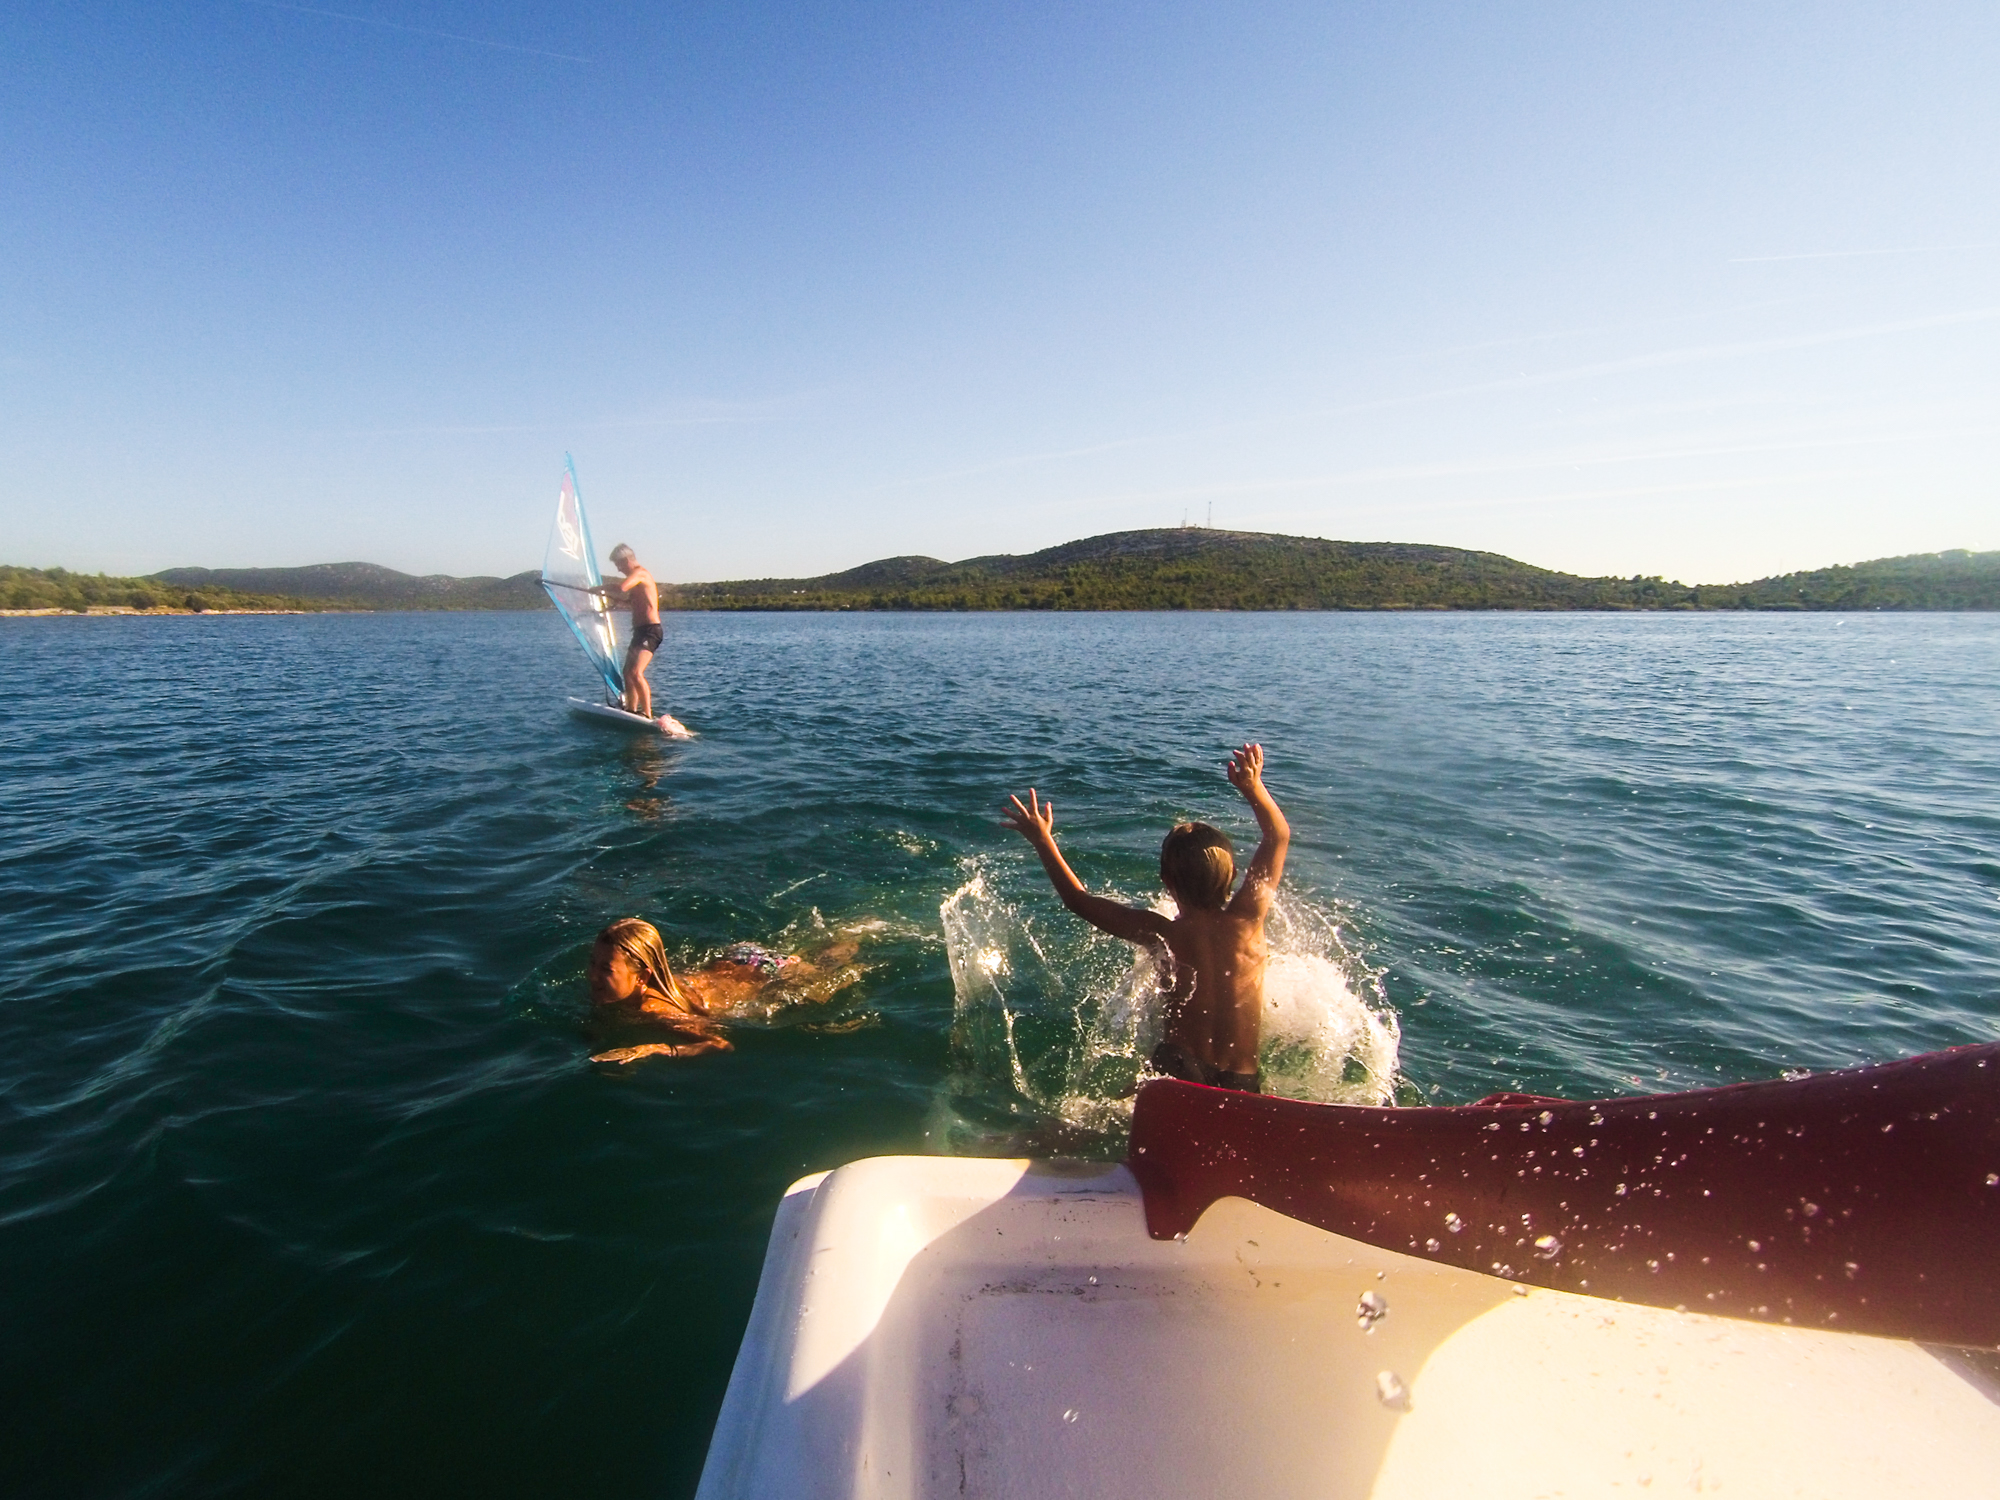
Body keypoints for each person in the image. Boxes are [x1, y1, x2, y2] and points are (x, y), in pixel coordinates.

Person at [1001, 743, 1289, 1093]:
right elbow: (1277, 837)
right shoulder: (1248, 920)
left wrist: (1043, 839)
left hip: (1179, 1068)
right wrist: (1252, 786)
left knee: (1104, 1114)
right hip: (1240, 1078)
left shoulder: (1162, 933)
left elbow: (1078, 901)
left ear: (1166, 883)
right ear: (1232, 878)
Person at [586, 917, 864, 1064]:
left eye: (606, 970)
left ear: (643, 976)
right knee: (813, 955)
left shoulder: (654, 1009)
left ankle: (865, 931)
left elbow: (720, 1043)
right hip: (740, 958)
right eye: (593, 963)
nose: (593, 975)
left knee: (836, 971)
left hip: (766, 972)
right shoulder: (635, 990)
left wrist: (656, 1048)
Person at [595, 544, 663, 720]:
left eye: (619, 564)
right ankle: (631, 710)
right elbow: (632, 601)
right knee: (627, 673)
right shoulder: (636, 582)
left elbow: (622, 587)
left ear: (626, 560)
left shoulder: (640, 573)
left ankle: (647, 714)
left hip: (651, 631)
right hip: (639, 632)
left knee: (636, 672)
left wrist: (602, 587)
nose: (618, 569)